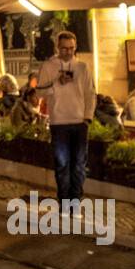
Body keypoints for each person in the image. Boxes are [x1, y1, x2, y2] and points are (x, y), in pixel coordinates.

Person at [35, 31, 97, 204]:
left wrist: (87, 118)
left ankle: (75, 201)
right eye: (64, 49)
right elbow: (39, 92)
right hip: (59, 122)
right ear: (58, 48)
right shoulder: (48, 66)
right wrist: (56, 82)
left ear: (75, 47)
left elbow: (90, 94)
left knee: (79, 165)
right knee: (62, 164)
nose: (68, 52)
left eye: (71, 48)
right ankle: (64, 201)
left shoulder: (83, 67)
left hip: (79, 122)